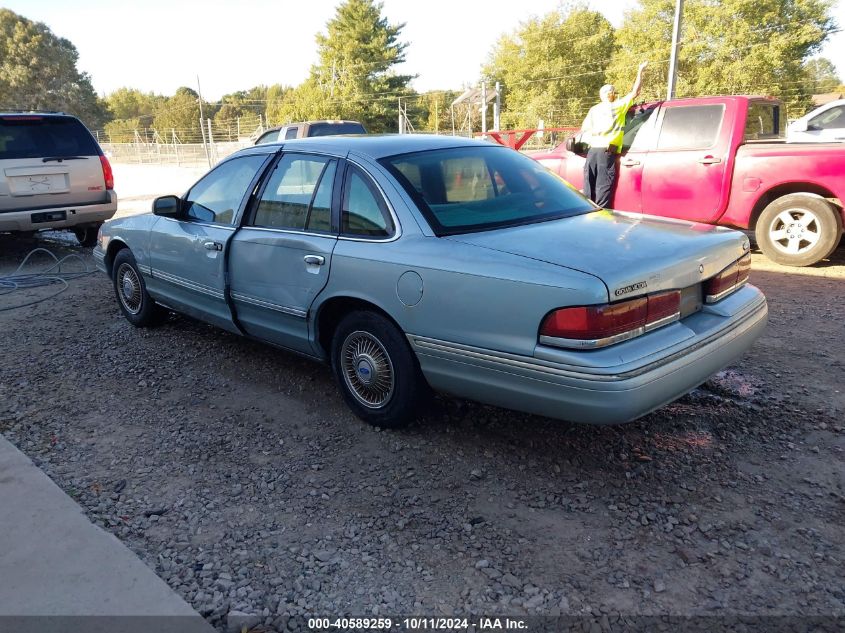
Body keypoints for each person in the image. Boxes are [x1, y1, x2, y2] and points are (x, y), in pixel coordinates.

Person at [581, 61, 648, 208]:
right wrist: (640, 71)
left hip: (593, 151)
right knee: (603, 186)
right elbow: (635, 92)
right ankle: (601, 217)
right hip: (607, 151)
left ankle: (588, 215)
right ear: (611, 95)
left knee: (589, 187)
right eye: (612, 91)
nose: (613, 94)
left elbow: (585, 131)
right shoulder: (618, 106)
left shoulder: (594, 109)